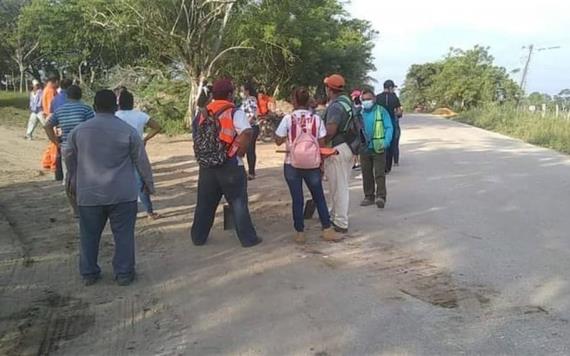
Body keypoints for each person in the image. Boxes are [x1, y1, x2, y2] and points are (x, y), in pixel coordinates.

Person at [63, 89, 154, 286]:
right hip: (122, 193)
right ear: (116, 107)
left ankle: (89, 273)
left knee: (88, 235)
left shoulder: (79, 131)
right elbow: (141, 161)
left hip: (89, 193)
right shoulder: (127, 131)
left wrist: (73, 177)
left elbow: (68, 155)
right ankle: (124, 273)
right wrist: (148, 184)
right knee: (124, 235)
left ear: (94, 107)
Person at [191, 79, 262, 248]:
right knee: (238, 202)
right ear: (230, 94)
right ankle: (248, 239)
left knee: (204, 203)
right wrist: (239, 152)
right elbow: (246, 132)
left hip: (207, 165)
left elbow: (196, 135)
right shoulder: (234, 112)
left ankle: (198, 237)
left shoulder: (202, 113)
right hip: (229, 164)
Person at [275, 87, 339, 244]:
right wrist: (321, 163)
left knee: (297, 199)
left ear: (293, 101)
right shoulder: (316, 119)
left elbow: (278, 139)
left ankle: (300, 232)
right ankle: (327, 229)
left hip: (292, 163)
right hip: (312, 164)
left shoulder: (288, 119)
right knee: (318, 196)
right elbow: (322, 142)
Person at [44, 85, 95, 216]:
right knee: (87, 176)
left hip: (67, 147)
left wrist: (56, 142)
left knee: (69, 177)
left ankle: (74, 208)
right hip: (85, 148)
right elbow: (93, 127)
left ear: (67, 96)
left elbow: (47, 125)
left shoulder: (61, 110)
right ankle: (87, 204)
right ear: (81, 95)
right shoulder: (86, 109)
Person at [116, 90, 162, 219]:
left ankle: (124, 212)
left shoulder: (115, 116)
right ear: (132, 103)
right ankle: (149, 211)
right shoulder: (140, 115)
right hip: (137, 151)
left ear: (119, 103)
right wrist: (145, 139)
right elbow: (157, 127)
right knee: (140, 182)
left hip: (120, 152)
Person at [322, 74, 357, 233]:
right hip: (348, 147)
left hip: (338, 149)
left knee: (339, 187)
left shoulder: (336, 106)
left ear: (329, 89)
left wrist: (319, 144)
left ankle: (341, 222)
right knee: (338, 185)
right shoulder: (347, 102)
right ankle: (335, 216)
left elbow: (330, 130)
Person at [359, 89, 394, 208]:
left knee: (379, 173)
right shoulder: (359, 113)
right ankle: (369, 196)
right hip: (364, 148)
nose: (366, 102)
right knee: (366, 173)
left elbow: (389, 127)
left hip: (379, 146)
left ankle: (381, 196)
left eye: (368, 99)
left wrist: (386, 142)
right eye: (363, 100)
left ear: (374, 99)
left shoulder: (381, 111)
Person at [376, 80, 403, 173]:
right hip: (391, 122)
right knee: (391, 143)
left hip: (379, 122)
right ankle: (388, 167)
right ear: (390, 87)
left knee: (379, 141)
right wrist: (396, 114)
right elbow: (399, 112)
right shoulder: (394, 97)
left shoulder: (377, 97)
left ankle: (380, 164)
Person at [241, 82, 260, 180]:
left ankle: (251, 172)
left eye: (242, 90)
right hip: (248, 127)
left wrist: (246, 123)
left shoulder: (251, 100)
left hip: (252, 127)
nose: (241, 92)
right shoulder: (245, 100)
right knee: (248, 149)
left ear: (247, 91)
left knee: (250, 149)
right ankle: (250, 171)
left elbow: (253, 114)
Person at [41, 75, 60, 172]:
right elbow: (51, 107)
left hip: (48, 116)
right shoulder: (51, 91)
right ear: (55, 81)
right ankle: (53, 163)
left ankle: (46, 162)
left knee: (51, 141)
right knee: (55, 142)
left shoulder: (45, 90)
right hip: (51, 118)